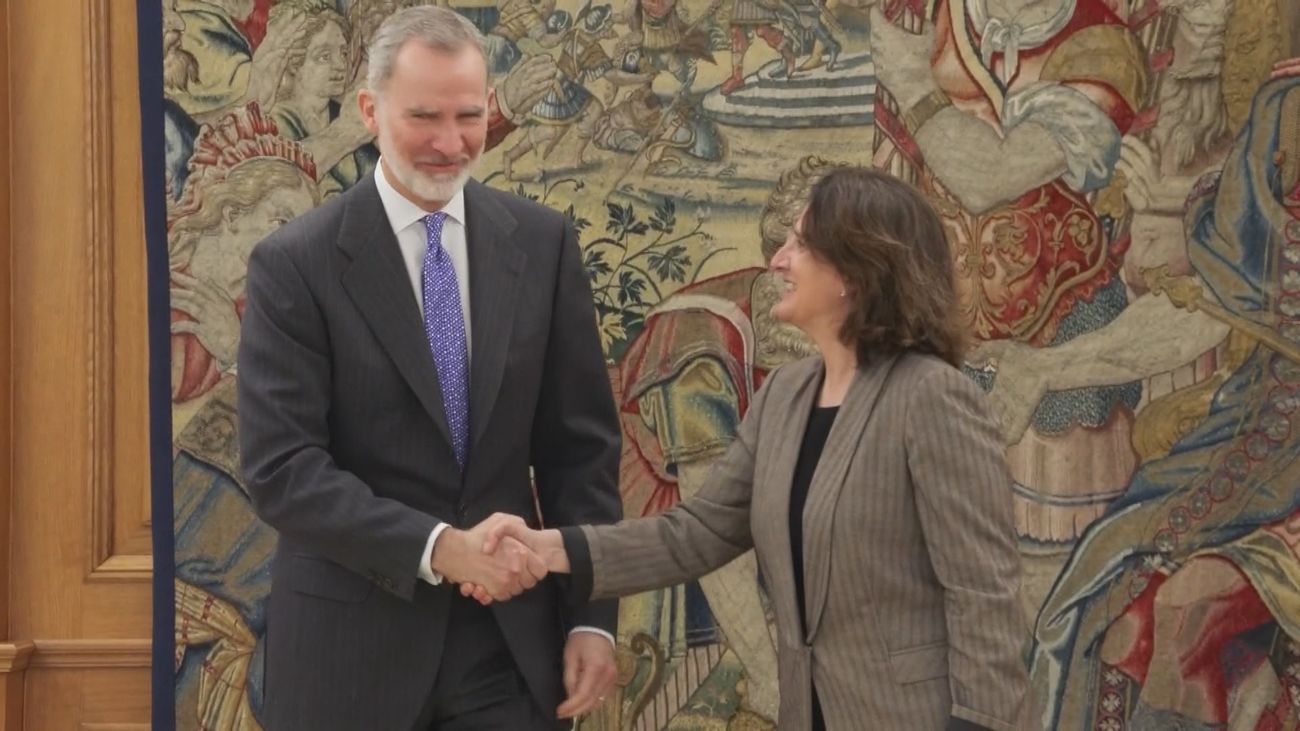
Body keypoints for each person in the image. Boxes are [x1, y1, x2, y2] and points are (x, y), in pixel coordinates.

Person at [472, 167, 1030, 730]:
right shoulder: (787, 395)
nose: (778, 261)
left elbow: (985, 594)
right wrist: (548, 550)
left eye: (800, 243)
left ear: (856, 271)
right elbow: (698, 532)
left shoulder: (934, 398)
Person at [236, 7, 622, 728]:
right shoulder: (294, 265)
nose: (451, 143)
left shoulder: (543, 245)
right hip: (347, 658)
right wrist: (441, 549)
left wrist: (591, 617)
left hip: (508, 654)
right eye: (425, 117)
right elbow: (282, 468)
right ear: (369, 110)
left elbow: (582, 453)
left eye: (469, 116)